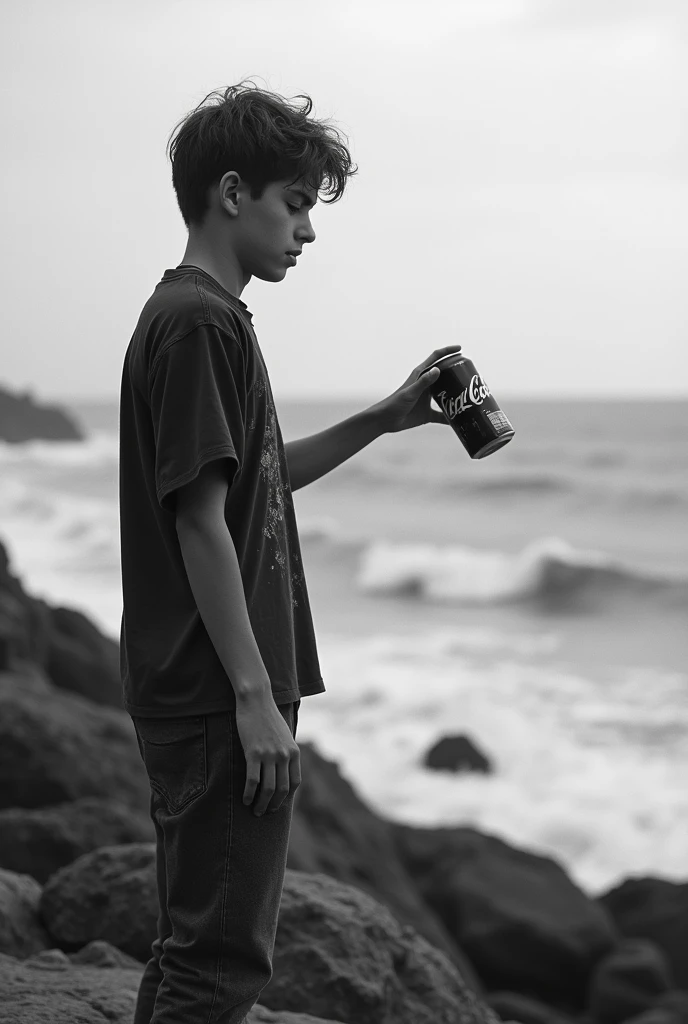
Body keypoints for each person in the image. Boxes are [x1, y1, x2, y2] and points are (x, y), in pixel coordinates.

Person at [119, 77, 459, 1024]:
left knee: (193, 948)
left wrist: (383, 420)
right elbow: (197, 524)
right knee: (220, 965)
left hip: (199, 684)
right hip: (215, 690)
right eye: (297, 204)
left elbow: (251, 483)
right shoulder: (199, 325)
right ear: (234, 194)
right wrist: (254, 698)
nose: (307, 232)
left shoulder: (200, 318)